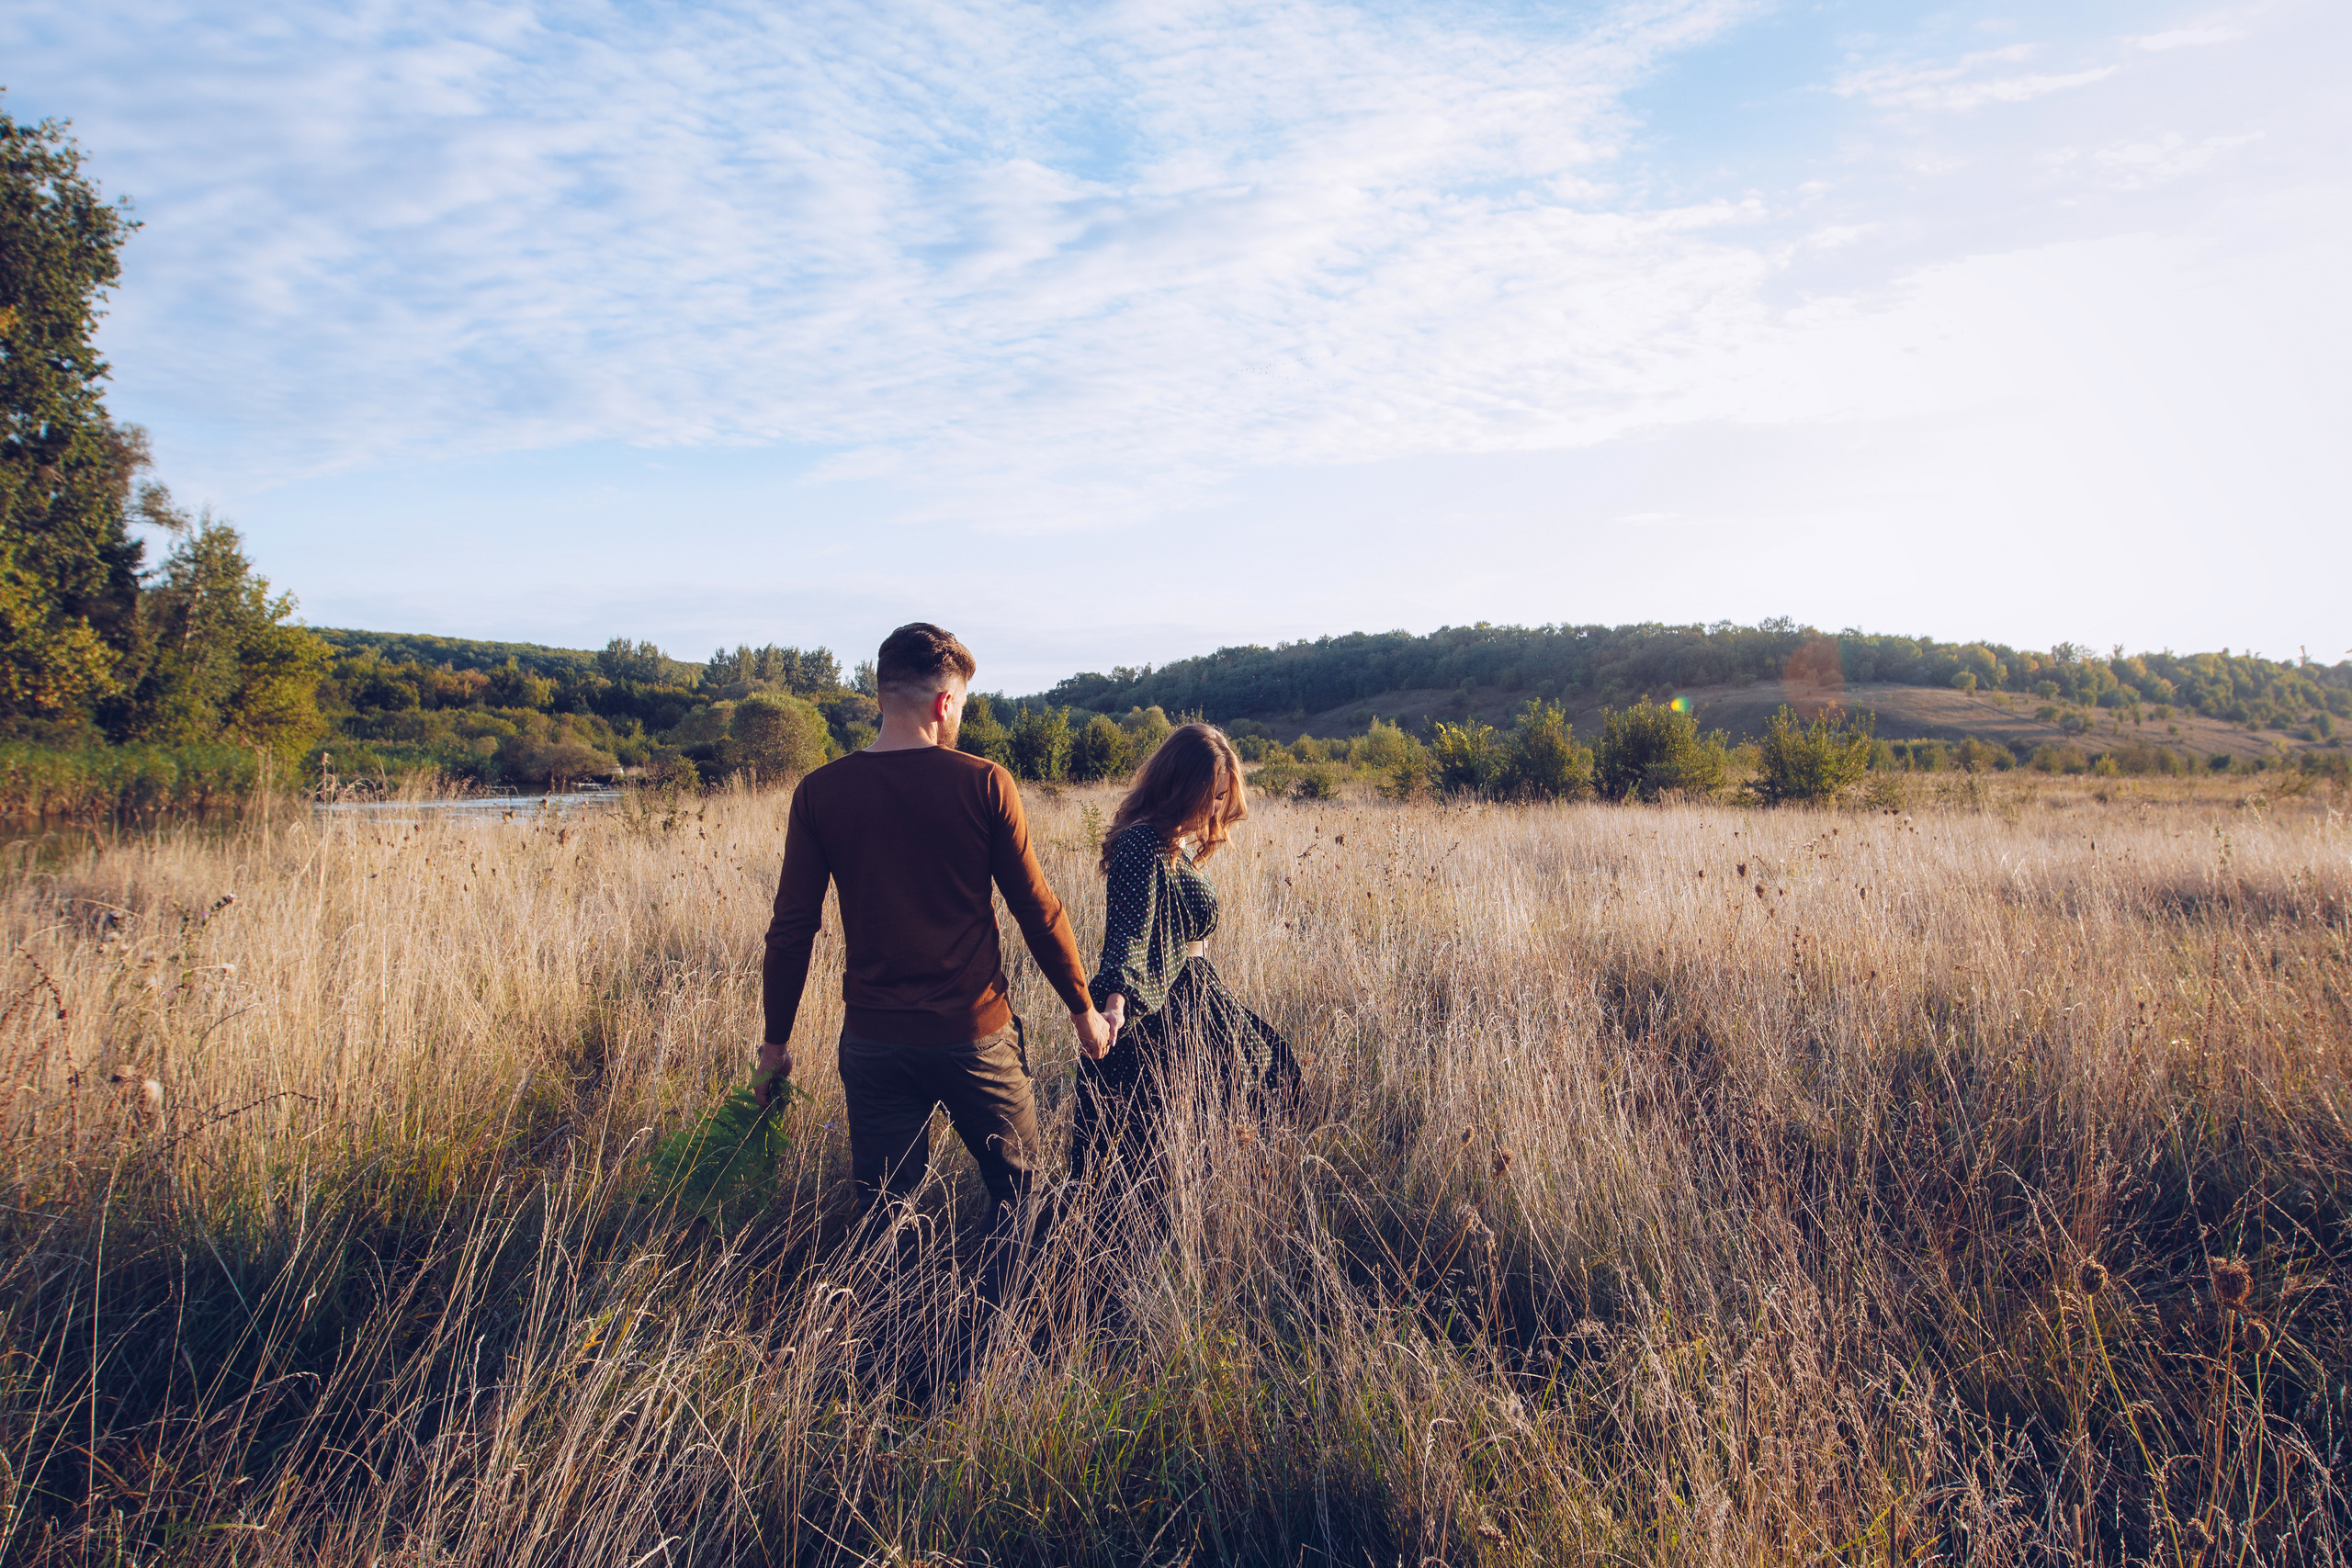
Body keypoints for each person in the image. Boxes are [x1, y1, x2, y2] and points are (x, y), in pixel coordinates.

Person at [756, 622, 1115, 1254]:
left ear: (880, 695)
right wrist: (1082, 1008)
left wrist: (775, 1042)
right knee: (1020, 1193)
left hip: (875, 1042)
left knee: (886, 1218)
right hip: (975, 1038)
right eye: (961, 708)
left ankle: (897, 1345)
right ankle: (997, 1339)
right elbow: (1037, 908)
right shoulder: (983, 783)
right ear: (944, 703)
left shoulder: (819, 793)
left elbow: (792, 930)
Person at [1072, 722, 1294, 1183]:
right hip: (1163, 1010)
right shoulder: (1142, 843)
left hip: (1193, 999)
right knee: (1145, 1154)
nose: (1215, 808)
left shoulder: (1169, 843)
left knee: (1269, 1083)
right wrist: (1115, 1003)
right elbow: (1130, 933)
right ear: (1180, 785)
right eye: (1210, 794)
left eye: (1221, 796)